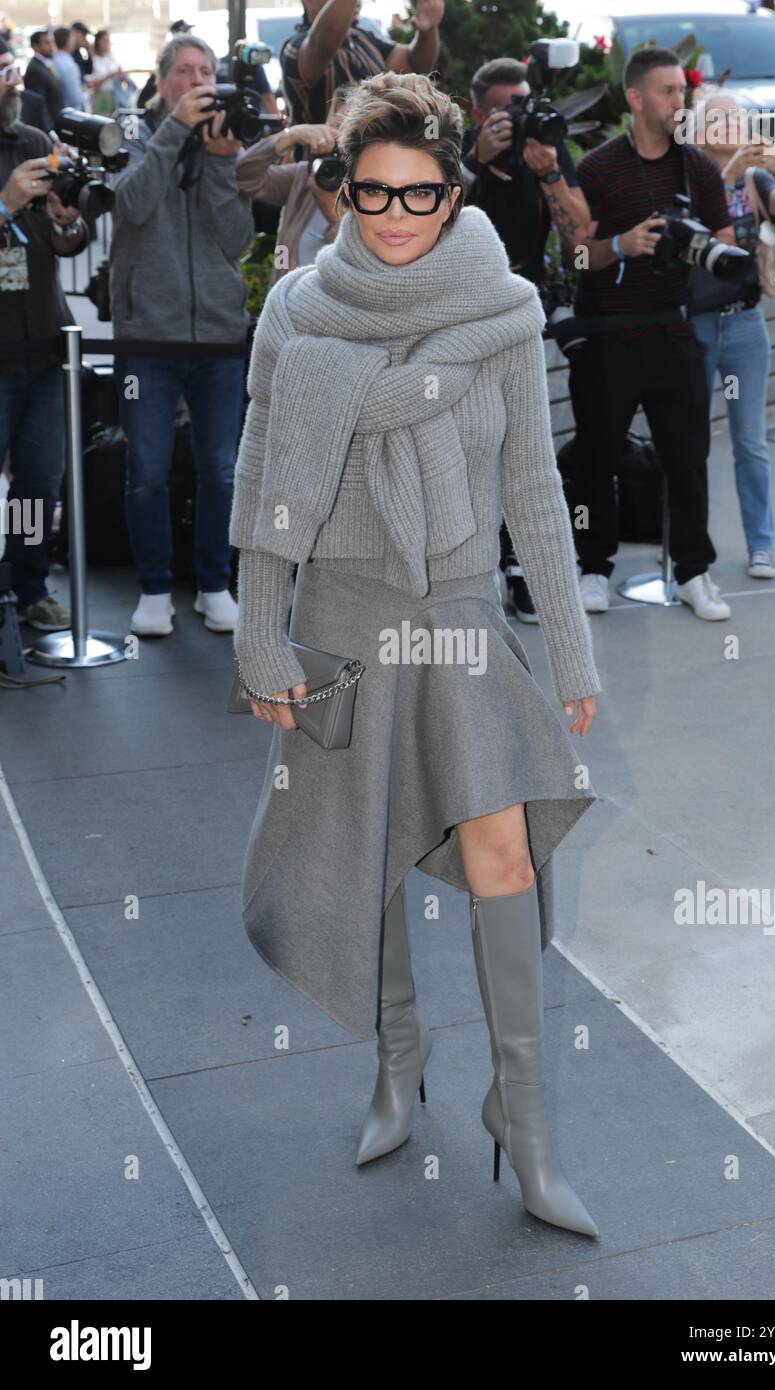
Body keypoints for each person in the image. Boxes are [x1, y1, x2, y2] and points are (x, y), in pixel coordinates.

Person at [230, 69, 603, 1238]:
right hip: (337, 618)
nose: (393, 217)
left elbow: (530, 488)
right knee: (366, 848)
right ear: (337, 188)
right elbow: (260, 489)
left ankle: (525, 1125)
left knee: (501, 849)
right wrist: (256, 636)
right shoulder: (295, 313)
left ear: (452, 189)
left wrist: (574, 658)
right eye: (370, 193)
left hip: (453, 615)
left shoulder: (499, 310)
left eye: (418, 194)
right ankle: (397, 1067)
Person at [566, 46, 734, 619]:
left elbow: (727, 249)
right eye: (667, 91)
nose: (678, 101)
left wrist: (705, 248)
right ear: (636, 99)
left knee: (687, 458)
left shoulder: (700, 167)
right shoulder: (596, 168)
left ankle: (693, 572)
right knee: (597, 456)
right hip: (610, 336)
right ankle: (593, 569)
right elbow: (574, 261)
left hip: (673, 331)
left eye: (681, 91)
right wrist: (621, 245)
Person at [109, 33, 254, 636]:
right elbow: (130, 206)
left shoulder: (226, 141)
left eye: (206, 71)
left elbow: (237, 240)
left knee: (222, 469)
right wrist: (172, 132)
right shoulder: (130, 134)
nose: (198, 81)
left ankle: (215, 584)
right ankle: (153, 589)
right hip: (149, 340)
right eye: (185, 71)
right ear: (164, 80)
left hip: (219, 340)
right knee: (148, 467)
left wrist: (221, 163)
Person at [461, 55, 589, 623]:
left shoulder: (546, 146)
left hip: (520, 316)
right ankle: (466, 567)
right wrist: (476, 162)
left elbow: (580, 231)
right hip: (458, 318)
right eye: (504, 107)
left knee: (522, 449)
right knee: (464, 447)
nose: (516, 115)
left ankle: (518, 566)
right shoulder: (455, 150)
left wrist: (549, 173)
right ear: (476, 111)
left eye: (523, 102)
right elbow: (420, 224)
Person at [689, 91, 775, 580]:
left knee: (750, 442)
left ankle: (762, 545)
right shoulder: (688, 178)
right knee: (689, 443)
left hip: (745, 322)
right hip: (695, 323)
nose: (732, 125)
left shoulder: (754, 179)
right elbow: (692, 229)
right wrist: (729, 171)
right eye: (719, 120)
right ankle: (689, 553)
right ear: (697, 132)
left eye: (736, 118)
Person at [0, 47, 88, 631]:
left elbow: (71, 243)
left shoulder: (36, 140)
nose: (11, 81)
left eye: (8, 68)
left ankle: (29, 587)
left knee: (36, 485)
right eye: (2, 72)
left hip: (46, 346)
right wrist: (4, 204)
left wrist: (63, 220)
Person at [235, 88, 350, 279]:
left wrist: (333, 214)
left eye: (353, 131)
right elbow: (244, 178)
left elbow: (366, 261)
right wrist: (288, 137)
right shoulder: (304, 177)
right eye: (338, 127)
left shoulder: (379, 194)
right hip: (284, 304)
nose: (342, 142)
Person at [281, 0, 441, 126]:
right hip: (321, 164)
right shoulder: (295, 47)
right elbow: (321, 46)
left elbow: (414, 66)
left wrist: (427, 31)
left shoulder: (363, 39)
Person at [23, 30, 64, 129]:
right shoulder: (35, 70)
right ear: (35, 46)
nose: (52, 46)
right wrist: (48, 130)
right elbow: (37, 106)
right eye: (47, 43)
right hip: (49, 128)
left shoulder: (44, 64)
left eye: (52, 42)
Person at [85, 30, 122, 115]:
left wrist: (120, 75)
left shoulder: (110, 57)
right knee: (104, 117)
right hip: (101, 96)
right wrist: (108, 77)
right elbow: (89, 83)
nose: (107, 44)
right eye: (104, 41)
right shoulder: (92, 60)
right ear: (98, 42)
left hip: (114, 94)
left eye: (108, 41)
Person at [51, 27, 86, 111]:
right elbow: (75, 99)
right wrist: (88, 94)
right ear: (68, 42)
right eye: (73, 39)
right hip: (72, 112)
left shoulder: (53, 60)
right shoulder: (68, 64)